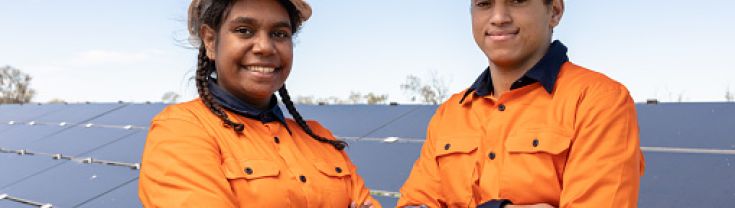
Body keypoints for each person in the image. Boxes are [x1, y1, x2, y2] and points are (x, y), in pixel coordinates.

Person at [398, 0, 644, 207]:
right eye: (484, 4)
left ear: (554, 11)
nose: (499, 17)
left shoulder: (598, 101)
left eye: (517, 1)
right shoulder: (450, 113)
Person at [138, 0, 380, 207]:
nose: (265, 47)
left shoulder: (319, 137)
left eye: (279, 34)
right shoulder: (180, 131)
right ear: (210, 41)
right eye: (244, 30)